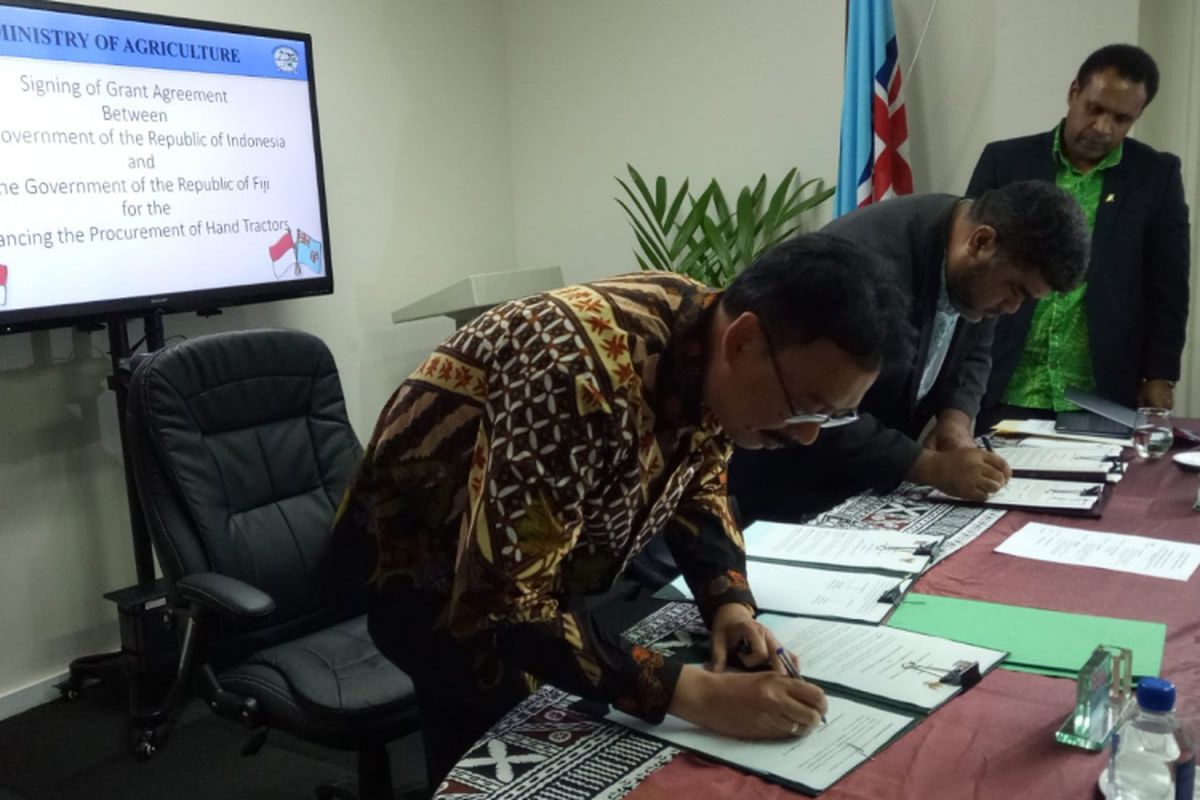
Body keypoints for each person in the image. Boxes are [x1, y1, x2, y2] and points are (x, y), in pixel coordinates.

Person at [330, 234, 913, 785]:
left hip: (536, 570)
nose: (810, 435)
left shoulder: (707, 336)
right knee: (506, 765)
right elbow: (505, 608)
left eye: (832, 415)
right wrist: (693, 695)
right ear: (743, 342)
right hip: (433, 581)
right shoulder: (574, 376)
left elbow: (698, 477)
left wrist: (728, 602)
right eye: (804, 407)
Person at [728, 181, 1090, 523]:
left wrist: (956, 419)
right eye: (1016, 290)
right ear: (982, 242)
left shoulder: (979, 270)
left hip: (860, 479)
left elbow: (976, 349)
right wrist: (928, 467)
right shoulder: (868, 266)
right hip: (783, 478)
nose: (1013, 307)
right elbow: (819, 408)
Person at [967, 43, 1190, 427]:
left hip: (1102, 388)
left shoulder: (1156, 176)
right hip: (1005, 378)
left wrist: (1160, 373)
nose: (1103, 127)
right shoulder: (1006, 161)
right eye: (1095, 108)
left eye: (1121, 119)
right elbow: (968, 260)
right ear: (1074, 93)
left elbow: (1168, 284)